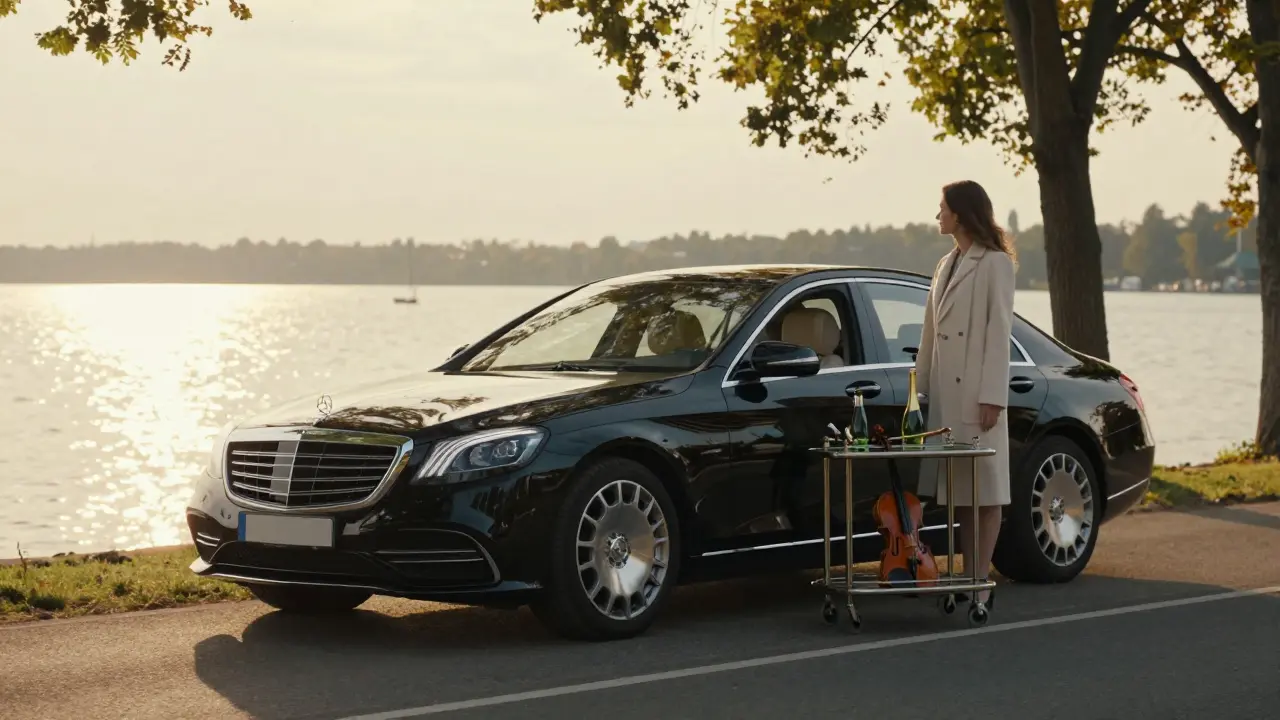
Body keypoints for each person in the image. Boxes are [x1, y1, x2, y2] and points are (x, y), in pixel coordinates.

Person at [915, 179, 1016, 607]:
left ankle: (979, 582)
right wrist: (919, 390)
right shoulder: (944, 264)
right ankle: (967, 578)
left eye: (942, 208)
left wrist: (993, 395)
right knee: (960, 492)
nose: (937, 215)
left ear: (961, 213)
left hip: (978, 397)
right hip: (946, 400)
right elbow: (929, 335)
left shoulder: (995, 263)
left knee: (987, 492)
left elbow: (999, 333)